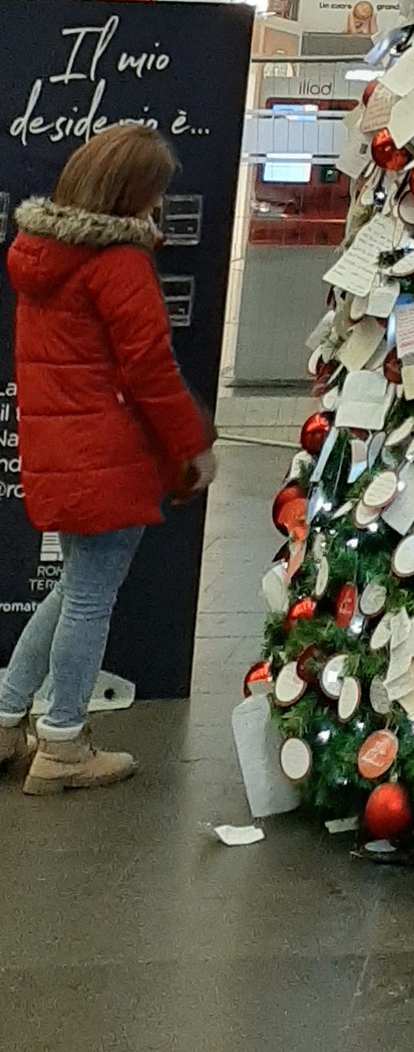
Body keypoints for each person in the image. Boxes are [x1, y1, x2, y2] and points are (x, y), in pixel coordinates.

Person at [0, 123, 215, 792]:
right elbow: (150, 368)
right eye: (154, 193)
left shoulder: (40, 251)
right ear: (130, 193)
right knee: (90, 596)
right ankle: (62, 741)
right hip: (108, 452)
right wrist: (192, 445)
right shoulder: (117, 262)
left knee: (72, 588)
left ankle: (7, 714)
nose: (159, 208)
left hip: (61, 450)